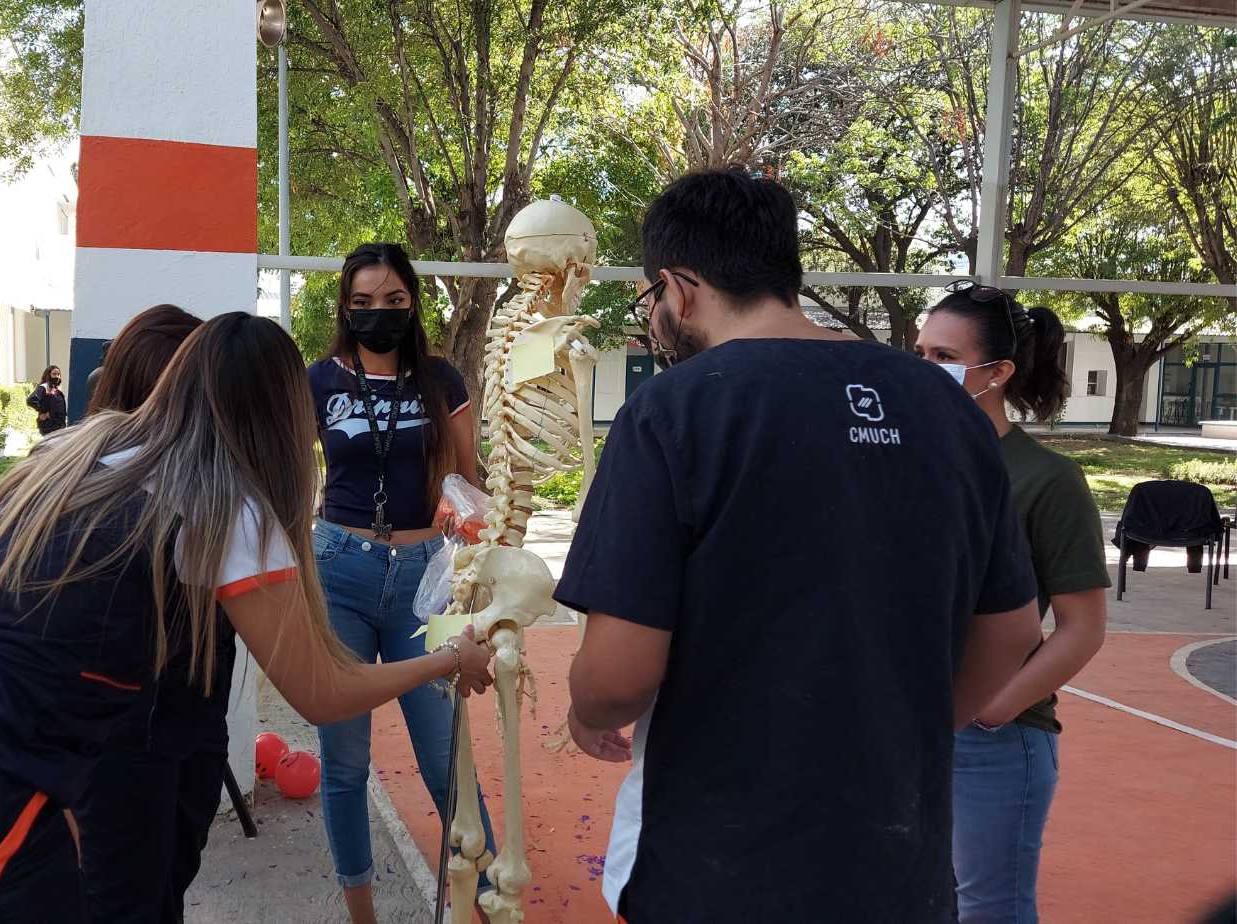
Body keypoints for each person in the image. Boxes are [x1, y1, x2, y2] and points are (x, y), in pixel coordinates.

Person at [0, 312, 495, 921]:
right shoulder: (226, 506)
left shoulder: (81, 452)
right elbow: (320, 692)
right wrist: (448, 660)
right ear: (285, 416)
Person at [553, 169, 1044, 923]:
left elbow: (619, 675)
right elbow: (1012, 632)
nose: (655, 320)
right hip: (898, 872)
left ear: (679, 289)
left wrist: (587, 709)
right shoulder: (946, 410)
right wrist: (896, 727)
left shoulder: (672, 411)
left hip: (717, 873)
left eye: (652, 301)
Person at [307, 242, 494, 924]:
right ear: (344, 308)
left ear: (412, 302)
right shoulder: (320, 380)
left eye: (391, 301)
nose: (376, 314)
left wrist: (479, 574)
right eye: (361, 303)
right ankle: (363, 915)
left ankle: (490, 902)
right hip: (339, 571)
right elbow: (290, 472)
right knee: (344, 759)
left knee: (445, 754)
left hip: (427, 577)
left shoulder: (441, 380)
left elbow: (473, 482)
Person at [916, 283, 1110, 924]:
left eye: (942, 355)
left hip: (992, 741)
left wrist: (993, 709)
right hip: (904, 730)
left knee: (988, 908)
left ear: (996, 372)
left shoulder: (1047, 480)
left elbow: (1081, 627)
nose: (923, 369)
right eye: (917, 352)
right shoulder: (904, 460)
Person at [73, 303, 223, 923]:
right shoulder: (77, 484)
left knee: (167, 884)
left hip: (192, 721)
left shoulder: (215, 485)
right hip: (114, 742)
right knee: (126, 900)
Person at [27, 365, 68, 435]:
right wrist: (44, 412)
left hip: (59, 425)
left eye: (58, 374)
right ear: (48, 375)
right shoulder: (44, 387)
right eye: (54, 374)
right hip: (49, 426)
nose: (57, 376)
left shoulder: (57, 389)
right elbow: (31, 400)